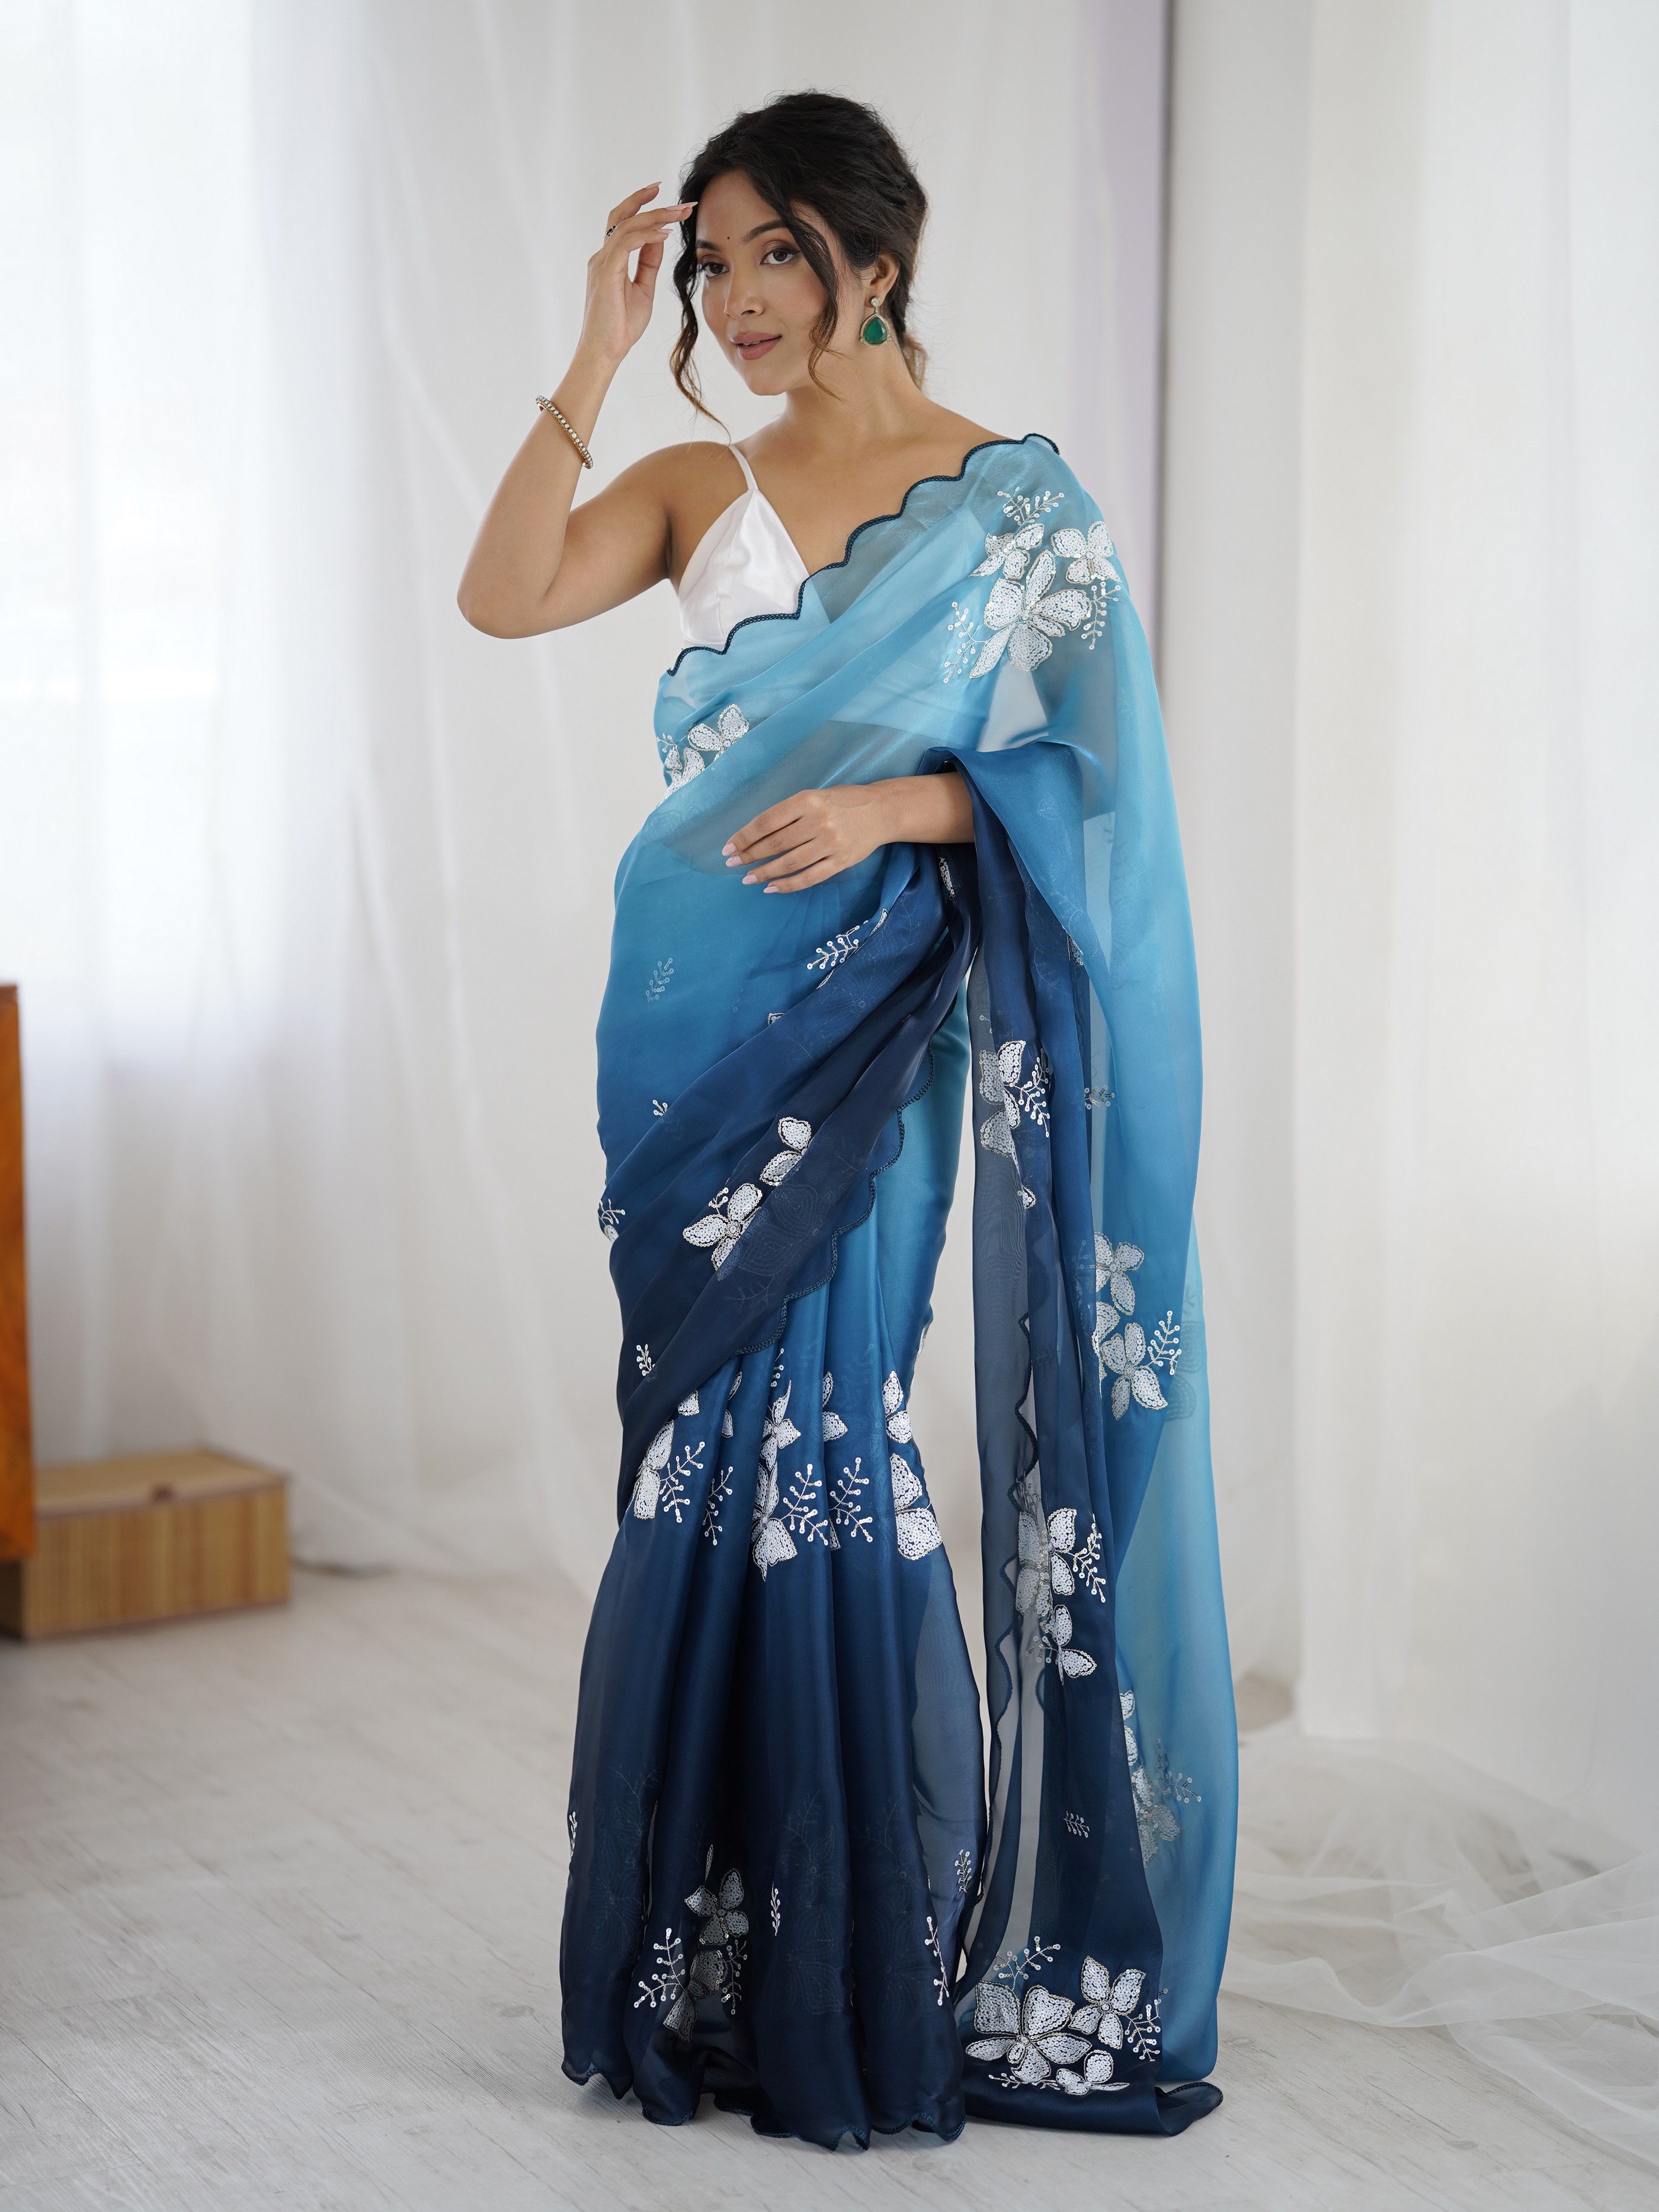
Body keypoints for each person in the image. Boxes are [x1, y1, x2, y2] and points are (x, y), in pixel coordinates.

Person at [460, 89, 1235, 2153]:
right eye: (712, 265)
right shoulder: (693, 475)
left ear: (873, 263)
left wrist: (895, 803)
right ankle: (711, 1956)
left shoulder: (1016, 505)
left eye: (773, 255)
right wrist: (597, 351)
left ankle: (849, 1949)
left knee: (834, 1436)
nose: (736, 296)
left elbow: (1102, 791)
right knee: (704, 1457)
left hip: (878, 1025)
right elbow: (503, 596)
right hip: (690, 1020)